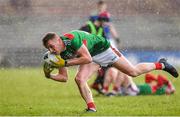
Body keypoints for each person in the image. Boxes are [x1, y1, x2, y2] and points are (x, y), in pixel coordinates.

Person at [42, 30, 178, 112]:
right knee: (79, 79)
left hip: (103, 50)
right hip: (90, 57)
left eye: (52, 46)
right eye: (49, 48)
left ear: (58, 40)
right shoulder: (57, 54)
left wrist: (65, 63)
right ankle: (91, 108)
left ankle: (161, 64)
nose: (51, 50)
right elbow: (63, 77)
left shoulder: (72, 39)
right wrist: (49, 75)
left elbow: (87, 58)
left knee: (133, 72)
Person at [103, 73, 176, 96]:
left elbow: (160, 76)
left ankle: (114, 91)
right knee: (111, 71)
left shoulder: (160, 89)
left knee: (123, 72)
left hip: (134, 91)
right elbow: (148, 76)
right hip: (130, 89)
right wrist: (167, 83)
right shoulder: (156, 86)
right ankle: (105, 91)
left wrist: (168, 82)